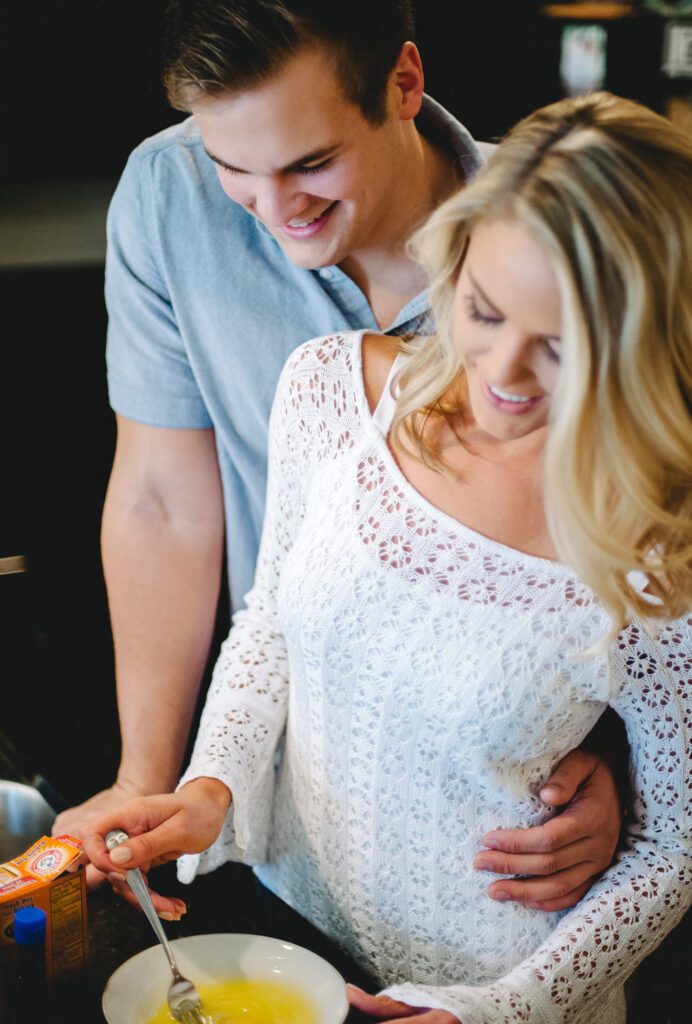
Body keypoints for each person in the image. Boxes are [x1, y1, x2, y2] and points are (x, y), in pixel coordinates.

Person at [84, 90, 692, 1024]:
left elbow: (672, 844)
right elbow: (271, 622)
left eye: (561, 348)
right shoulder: (330, 391)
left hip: (497, 990)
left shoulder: (662, 543)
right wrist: (211, 788)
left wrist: (504, 1007)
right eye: (484, 311)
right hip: (281, 938)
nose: (501, 375)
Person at [55, 0, 625, 905]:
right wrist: (142, 779)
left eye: (313, 164)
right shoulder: (170, 196)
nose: (276, 210)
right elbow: (163, 503)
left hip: (494, 840)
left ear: (403, 83)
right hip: (264, 795)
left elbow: (653, 553)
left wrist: (625, 773)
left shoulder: (562, 241)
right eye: (233, 167)